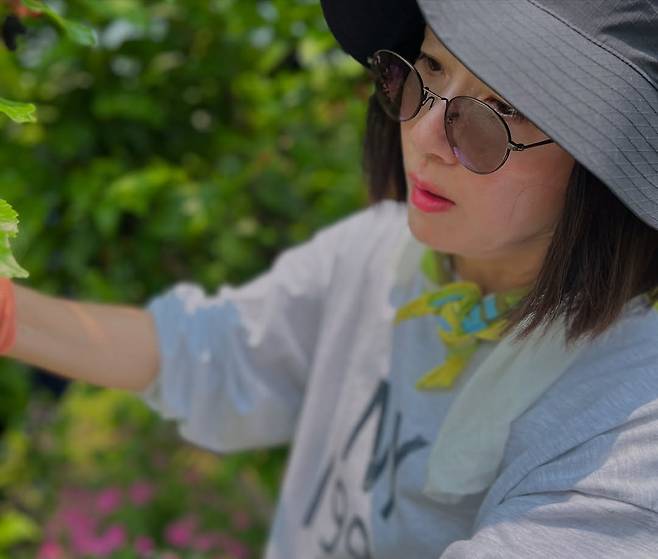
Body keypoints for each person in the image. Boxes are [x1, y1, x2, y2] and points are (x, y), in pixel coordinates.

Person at [1, 0, 657, 557]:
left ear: (602, 168)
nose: (424, 133)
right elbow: (214, 349)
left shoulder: (629, 422)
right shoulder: (378, 253)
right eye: (425, 72)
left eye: (494, 115)